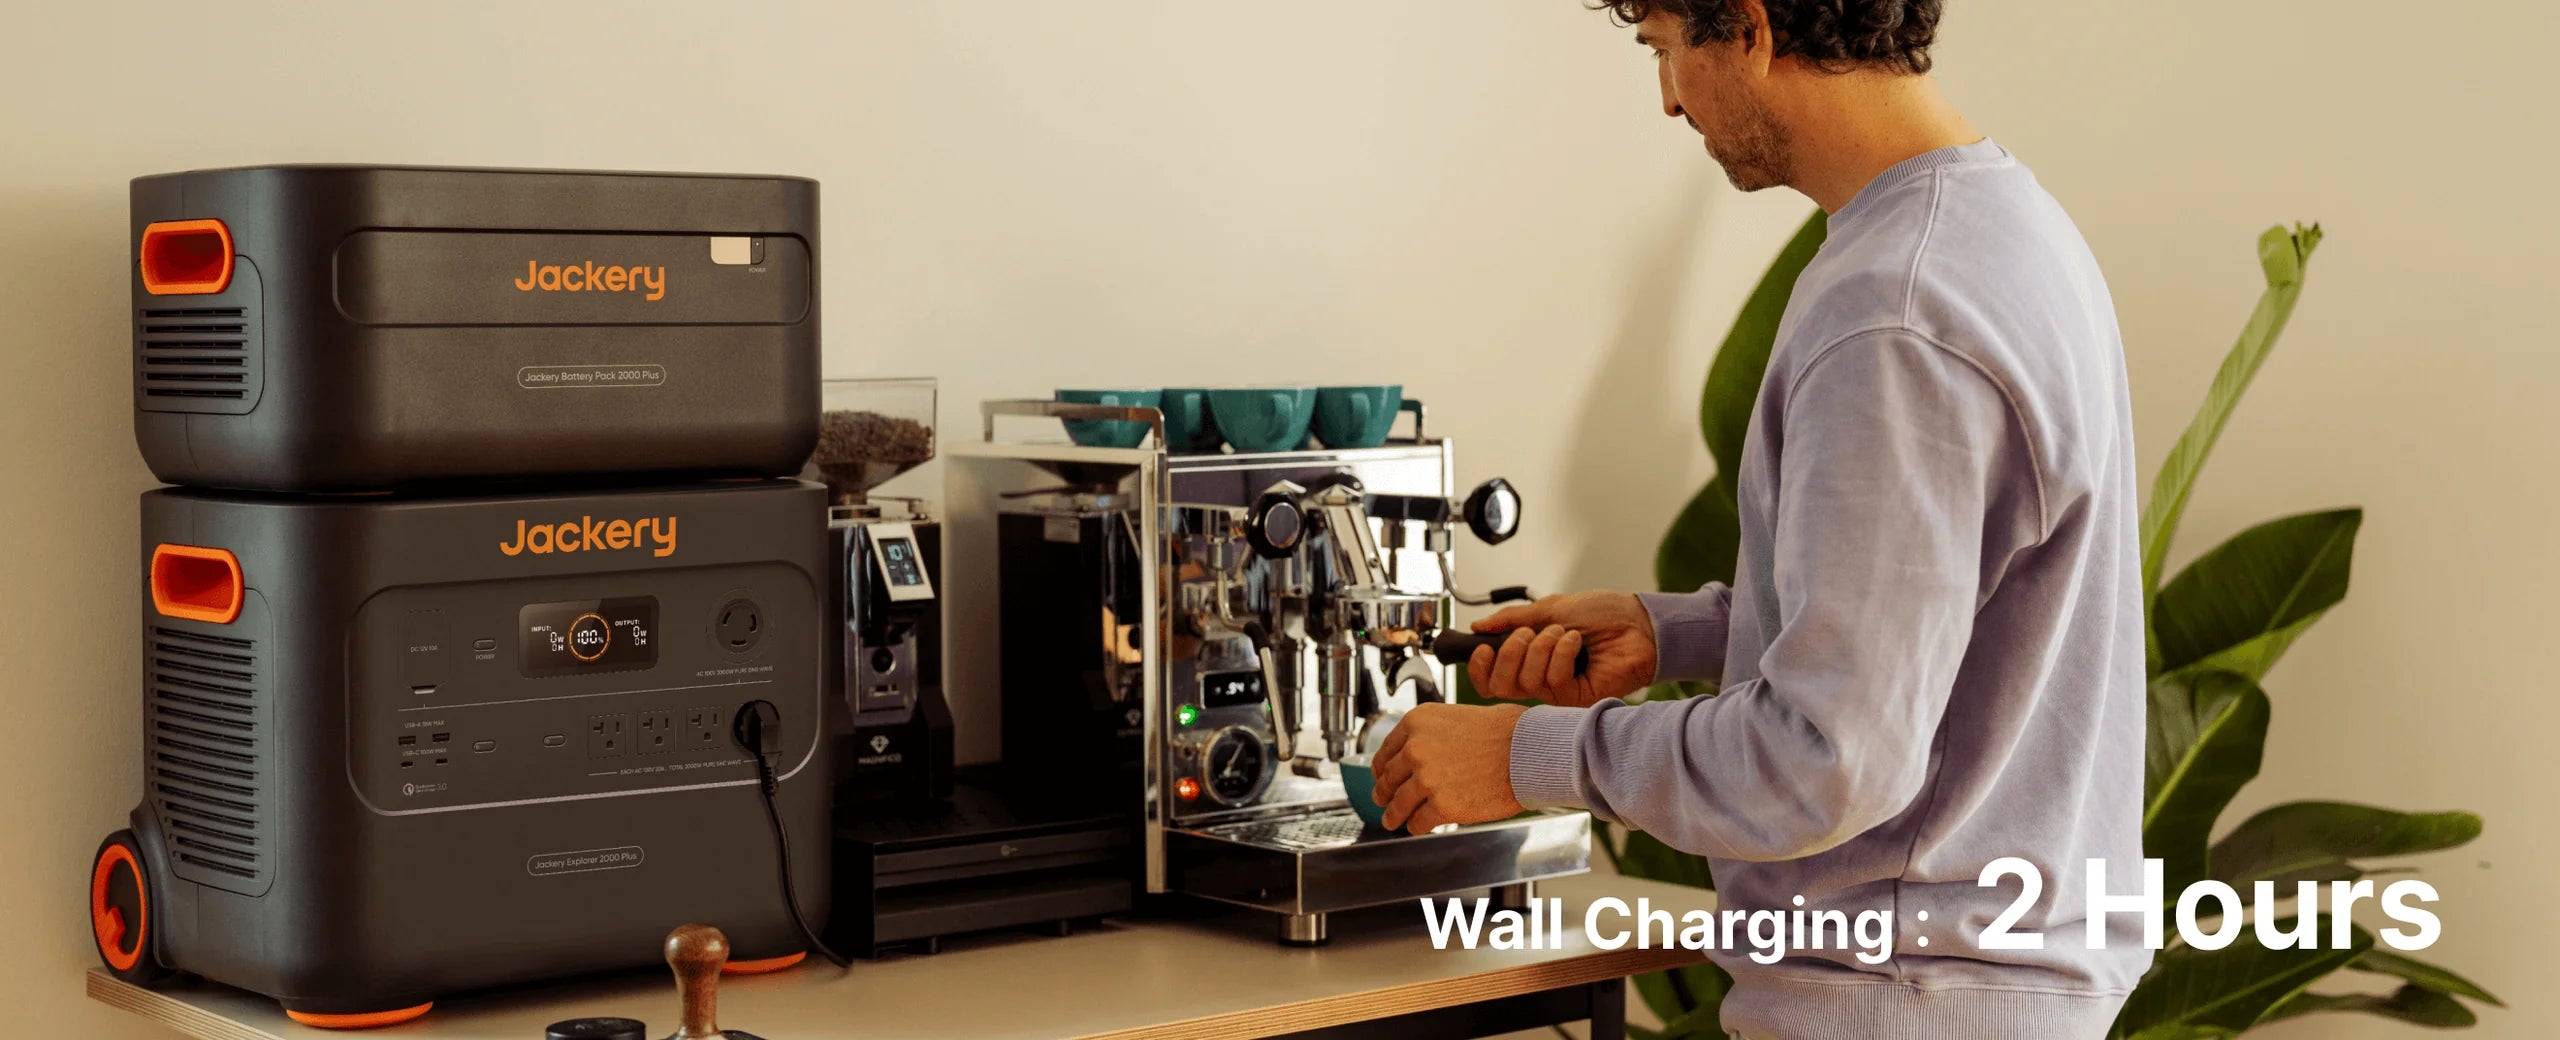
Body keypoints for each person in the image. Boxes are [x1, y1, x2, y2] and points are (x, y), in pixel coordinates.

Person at [1363, 1, 2153, 1036]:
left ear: (1749, 27)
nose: (1668, 99)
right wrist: (1677, 633)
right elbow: (1931, 620)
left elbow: (1825, 757)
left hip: (1898, 1002)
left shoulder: (1893, 310)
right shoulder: (2004, 229)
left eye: (1665, 50)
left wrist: (1521, 755)